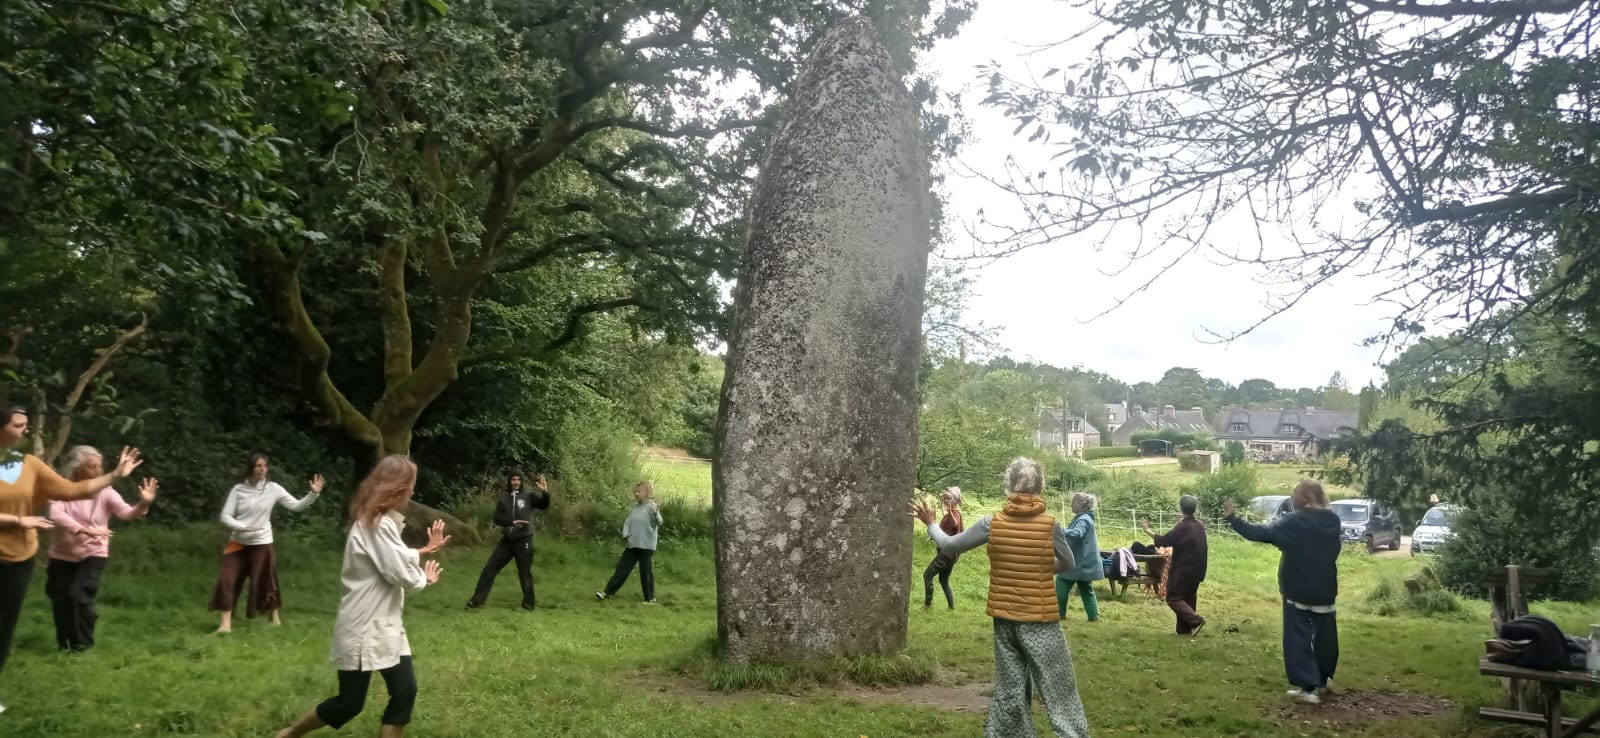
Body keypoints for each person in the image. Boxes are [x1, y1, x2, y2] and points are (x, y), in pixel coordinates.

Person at [911, 457, 1092, 737]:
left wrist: (932, 523)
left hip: (1005, 619)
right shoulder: (1050, 525)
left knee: (1011, 687)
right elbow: (1067, 563)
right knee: (1058, 685)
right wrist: (1042, 566)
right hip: (1040, 619)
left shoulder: (991, 523)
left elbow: (948, 545)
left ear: (1009, 485)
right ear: (1040, 487)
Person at [275, 455, 450, 738]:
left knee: (405, 691)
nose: (413, 492)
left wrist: (421, 551)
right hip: (364, 627)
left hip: (386, 625)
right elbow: (399, 573)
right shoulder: (376, 524)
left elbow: (391, 555)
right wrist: (424, 578)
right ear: (397, 488)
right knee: (350, 703)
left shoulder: (381, 523)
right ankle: (290, 734)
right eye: (411, 485)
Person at [0, 407, 142, 714]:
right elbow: (54, 509)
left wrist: (115, 475)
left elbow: (72, 490)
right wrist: (16, 520)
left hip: (20, 558)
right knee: (59, 599)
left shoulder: (23, 463)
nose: (26, 430)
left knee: (5, 628)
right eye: (19, 425)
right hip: (31, 548)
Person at [1225, 480, 1342, 704]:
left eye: (1294, 494)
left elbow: (1262, 533)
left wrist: (1233, 518)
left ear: (1306, 497)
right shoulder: (1333, 520)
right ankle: (1323, 680)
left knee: (1297, 636)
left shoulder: (1297, 521)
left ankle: (1307, 687)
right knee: (1326, 636)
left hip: (1299, 586)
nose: (1291, 498)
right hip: (1326, 587)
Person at [46, 445, 159, 652]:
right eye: (91, 467)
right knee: (61, 599)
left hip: (93, 553)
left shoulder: (105, 491)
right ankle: (65, 646)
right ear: (75, 469)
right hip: (61, 555)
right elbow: (55, 514)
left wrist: (143, 503)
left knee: (78, 595)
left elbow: (126, 513)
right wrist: (83, 530)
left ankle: (83, 646)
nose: (98, 471)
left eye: (99, 466)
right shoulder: (60, 489)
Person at [210, 453, 324, 633]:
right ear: (251, 468)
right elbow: (225, 516)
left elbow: (296, 506)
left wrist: (313, 494)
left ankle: (274, 618)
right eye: (258, 466)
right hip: (237, 543)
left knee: (265, 580)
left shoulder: (273, 489)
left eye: (264, 466)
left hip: (262, 542)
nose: (262, 469)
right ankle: (225, 625)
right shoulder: (238, 489)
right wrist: (241, 527)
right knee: (226, 579)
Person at [467, 470, 550, 610]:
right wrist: (512, 521)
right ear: (509, 481)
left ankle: (529, 604)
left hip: (524, 540)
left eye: (518, 480)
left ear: (521, 481)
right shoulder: (504, 498)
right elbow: (497, 518)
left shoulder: (528, 496)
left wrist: (545, 493)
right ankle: (477, 601)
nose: (516, 482)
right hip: (507, 540)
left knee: (524, 572)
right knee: (489, 568)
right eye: (513, 480)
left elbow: (544, 505)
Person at [1141, 494, 1209, 636]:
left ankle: (1196, 621)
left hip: (1184, 570)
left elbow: (1165, 540)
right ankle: (1184, 630)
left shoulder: (1184, 526)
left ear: (1180, 508)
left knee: (1173, 598)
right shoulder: (1199, 527)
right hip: (1198, 570)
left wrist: (1147, 530)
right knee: (1188, 598)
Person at [594, 481, 662, 604]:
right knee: (622, 570)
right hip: (633, 545)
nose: (636, 494)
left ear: (646, 492)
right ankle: (607, 592)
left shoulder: (652, 507)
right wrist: (625, 534)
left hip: (646, 546)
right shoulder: (635, 508)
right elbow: (627, 523)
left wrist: (656, 513)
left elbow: (659, 522)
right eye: (635, 491)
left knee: (645, 572)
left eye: (639, 491)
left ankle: (650, 599)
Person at [1057, 492, 1103, 622]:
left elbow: (1077, 533)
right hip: (1083, 561)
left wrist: (1060, 530)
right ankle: (1093, 616)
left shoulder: (1083, 519)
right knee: (1086, 588)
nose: (1071, 505)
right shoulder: (1084, 517)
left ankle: (1059, 613)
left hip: (1078, 562)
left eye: (1073, 502)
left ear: (1081, 504)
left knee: (1061, 583)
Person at [921, 486, 964, 610]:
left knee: (927, 575)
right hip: (951, 554)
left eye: (949, 499)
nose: (946, 501)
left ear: (955, 500)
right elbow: (945, 532)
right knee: (944, 580)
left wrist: (950, 513)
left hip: (947, 554)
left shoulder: (955, 514)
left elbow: (954, 524)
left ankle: (927, 605)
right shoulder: (949, 514)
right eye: (945, 499)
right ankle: (952, 608)